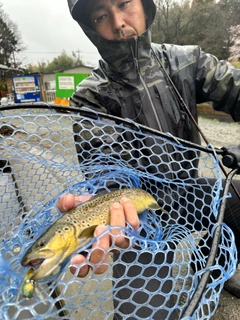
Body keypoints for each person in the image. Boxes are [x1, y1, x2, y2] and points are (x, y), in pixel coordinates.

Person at [61, 0, 240, 317]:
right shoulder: (88, 97)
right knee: (143, 313)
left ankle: (209, 263)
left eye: (124, 3)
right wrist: (107, 209)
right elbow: (104, 171)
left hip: (190, 192)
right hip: (139, 220)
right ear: (90, 28)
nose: (118, 22)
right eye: (101, 15)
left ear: (145, 6)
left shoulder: (187, 61)